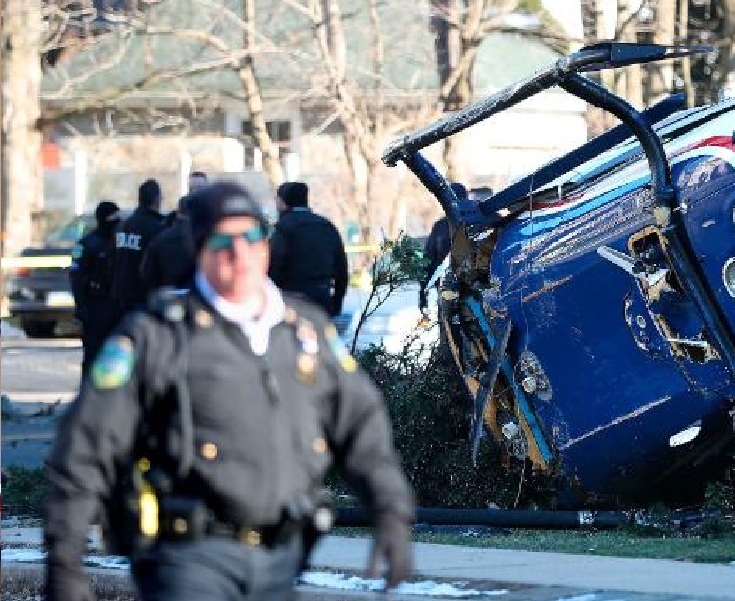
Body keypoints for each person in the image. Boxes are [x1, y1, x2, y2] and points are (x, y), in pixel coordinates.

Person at [43, 181, 414, 601]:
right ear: (199, 249)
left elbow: (361, 424)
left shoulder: (302, 331)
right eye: (223, 241)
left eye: (251, 237)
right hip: (188, 558)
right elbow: (85, 447)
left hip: (282, 557)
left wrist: (390, 512)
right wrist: (64, 565)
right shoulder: (159, 336)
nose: (240, 254)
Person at [268, 182, 349, 317]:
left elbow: (274, 264)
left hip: (291, 300)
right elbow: (341, 269)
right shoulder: (326, 226)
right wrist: (336, 302)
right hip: (322, 298)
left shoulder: (283, 228)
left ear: (283, 202)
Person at [69, 201, 122, 372]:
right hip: (94, 307)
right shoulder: (87, 244)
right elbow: (77, 278)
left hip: (115, 306)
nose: (116, 221)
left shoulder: (119, 243)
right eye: (113, 217)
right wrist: (81, 307)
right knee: (92, 355)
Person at [111, 179, 167, 313]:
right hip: (143, 296)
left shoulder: (122, 226)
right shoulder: (156, 227)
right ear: (157, 199)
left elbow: (112, 261)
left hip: (120, 295)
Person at [419, 183, 466, 313]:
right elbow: (428, 260)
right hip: (446, 295)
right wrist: (423, 292)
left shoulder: (477, 223)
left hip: (473, 294)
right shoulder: (440, 227)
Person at [141, 196, 195, 291]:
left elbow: (147, 273)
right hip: (195, 298)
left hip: (167, 295)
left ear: (178, 212)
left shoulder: (160, 239)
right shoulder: (204, 240)